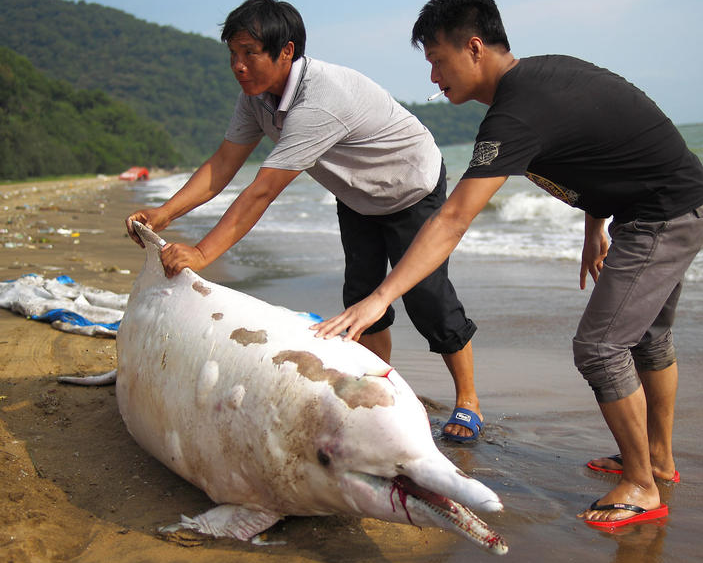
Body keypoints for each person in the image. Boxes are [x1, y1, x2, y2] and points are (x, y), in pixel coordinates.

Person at [312, 0, 703, 527]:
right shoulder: (541, 80)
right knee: (649, 338)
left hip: (664, 214)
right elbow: (604, 145)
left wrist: (381, 295)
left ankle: (642, 483)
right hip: (669, 202)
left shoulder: (515, 114)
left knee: (600, 346)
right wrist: (595, 220)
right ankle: (657, 460)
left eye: (437, 58)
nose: (433, 74)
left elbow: (452, 219)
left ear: (473, 48)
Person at [125, 0, 484, 442]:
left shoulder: (319, 98)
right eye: (232, 54)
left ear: (286, 51)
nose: (238, 66)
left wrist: (201, 252)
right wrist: (163, 214)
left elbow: (263, 190)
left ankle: (468, 400)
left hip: (411, 186)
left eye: (249, 52)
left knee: (428, 299)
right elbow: (223, 165)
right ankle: (381, 386)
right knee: (360, 296)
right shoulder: (255, 99)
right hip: (356, 194)